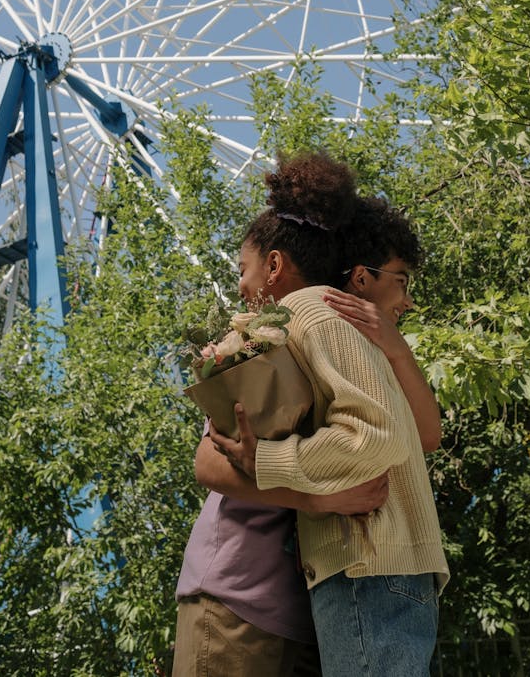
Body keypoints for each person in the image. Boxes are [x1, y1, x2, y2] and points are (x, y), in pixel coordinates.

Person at [172, 156, 446, 676]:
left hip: (304, 593)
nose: (239, 288)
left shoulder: (321, 325)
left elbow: (418, 435)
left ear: (275, 266)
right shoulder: (272, 334)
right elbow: (210, 463)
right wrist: (321, 497)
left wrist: (396, 349)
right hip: (243, 584)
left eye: (242, 272)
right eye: (403, 282)